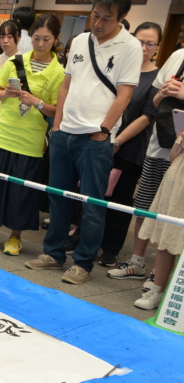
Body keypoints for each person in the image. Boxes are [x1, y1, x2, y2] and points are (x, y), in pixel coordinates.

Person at [24, 0, 142, 285]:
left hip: (95, 139)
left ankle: (83, 262)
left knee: (92, 204)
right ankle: (53, 253)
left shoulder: (130, 47)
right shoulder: (80, 40)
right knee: (58, 197)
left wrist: (103, 129)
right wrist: (57, 125)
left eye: (106, 19)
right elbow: (67, 85)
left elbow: (124, 95)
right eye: (95, 16)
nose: (98, 24)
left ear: (122, 17)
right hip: (65, 133)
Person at [0, 14, 65, 255]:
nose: (40, 44)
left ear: (56, 39)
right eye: (37, 38)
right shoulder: (15, 62)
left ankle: (15, 237)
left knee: (21, 193)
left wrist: (37, 102)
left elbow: (57, 110)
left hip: (30, 141)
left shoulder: (60, 73)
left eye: (46, 39)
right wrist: (7, 93)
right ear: (30, 37)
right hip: (1, 133)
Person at [108, 39, 183, 287]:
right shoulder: (178, 56)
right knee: (146, 205)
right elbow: (155, 104)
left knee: (176, 214)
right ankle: (138, 262)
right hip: (161, 146)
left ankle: (167, 280)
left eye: (150, 43)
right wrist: (163, 94)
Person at [95, 22, 160, 267]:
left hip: (130, 147)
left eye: (150, 43)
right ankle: (84, 239)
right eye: (140, 41)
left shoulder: (157, 76)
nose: (143, 48)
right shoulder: (119, 65)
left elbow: (148, 115)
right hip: (103, 138)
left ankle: (110, 249)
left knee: (120, 200)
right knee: (94, 193)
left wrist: (119, 140)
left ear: (156, 47)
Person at [134, 130, 184, 309]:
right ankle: (156, 290)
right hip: (176, 179)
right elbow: (173, 157)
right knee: (166, 237)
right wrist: (181, 141)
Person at [0, 20, 20, 117]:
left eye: (10, 37)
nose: (5, 41)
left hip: (11, 114)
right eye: (2, 37)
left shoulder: (23, 62)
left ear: (19, 38)